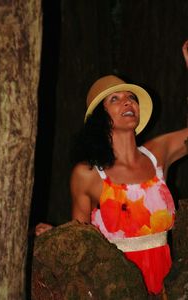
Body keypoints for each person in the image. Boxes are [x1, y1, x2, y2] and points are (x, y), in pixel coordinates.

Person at [70, 74, 188, 298]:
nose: (127, 101)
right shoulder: (88, 174)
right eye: (115, 99)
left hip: (169, 285)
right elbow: (78, 245)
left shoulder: (157, 154)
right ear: (100, 117)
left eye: (131, 97)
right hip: (116, 289)